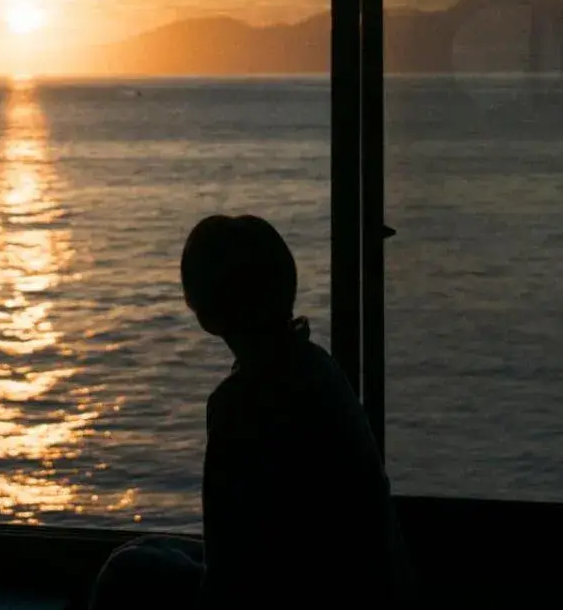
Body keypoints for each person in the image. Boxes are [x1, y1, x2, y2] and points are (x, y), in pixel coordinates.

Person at [88, 214, 414, 608]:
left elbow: (228, 583)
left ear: (204, 309)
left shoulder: (241, 402)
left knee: (124, 573)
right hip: (367, 590)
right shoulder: (318, 366)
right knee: (149, 548)